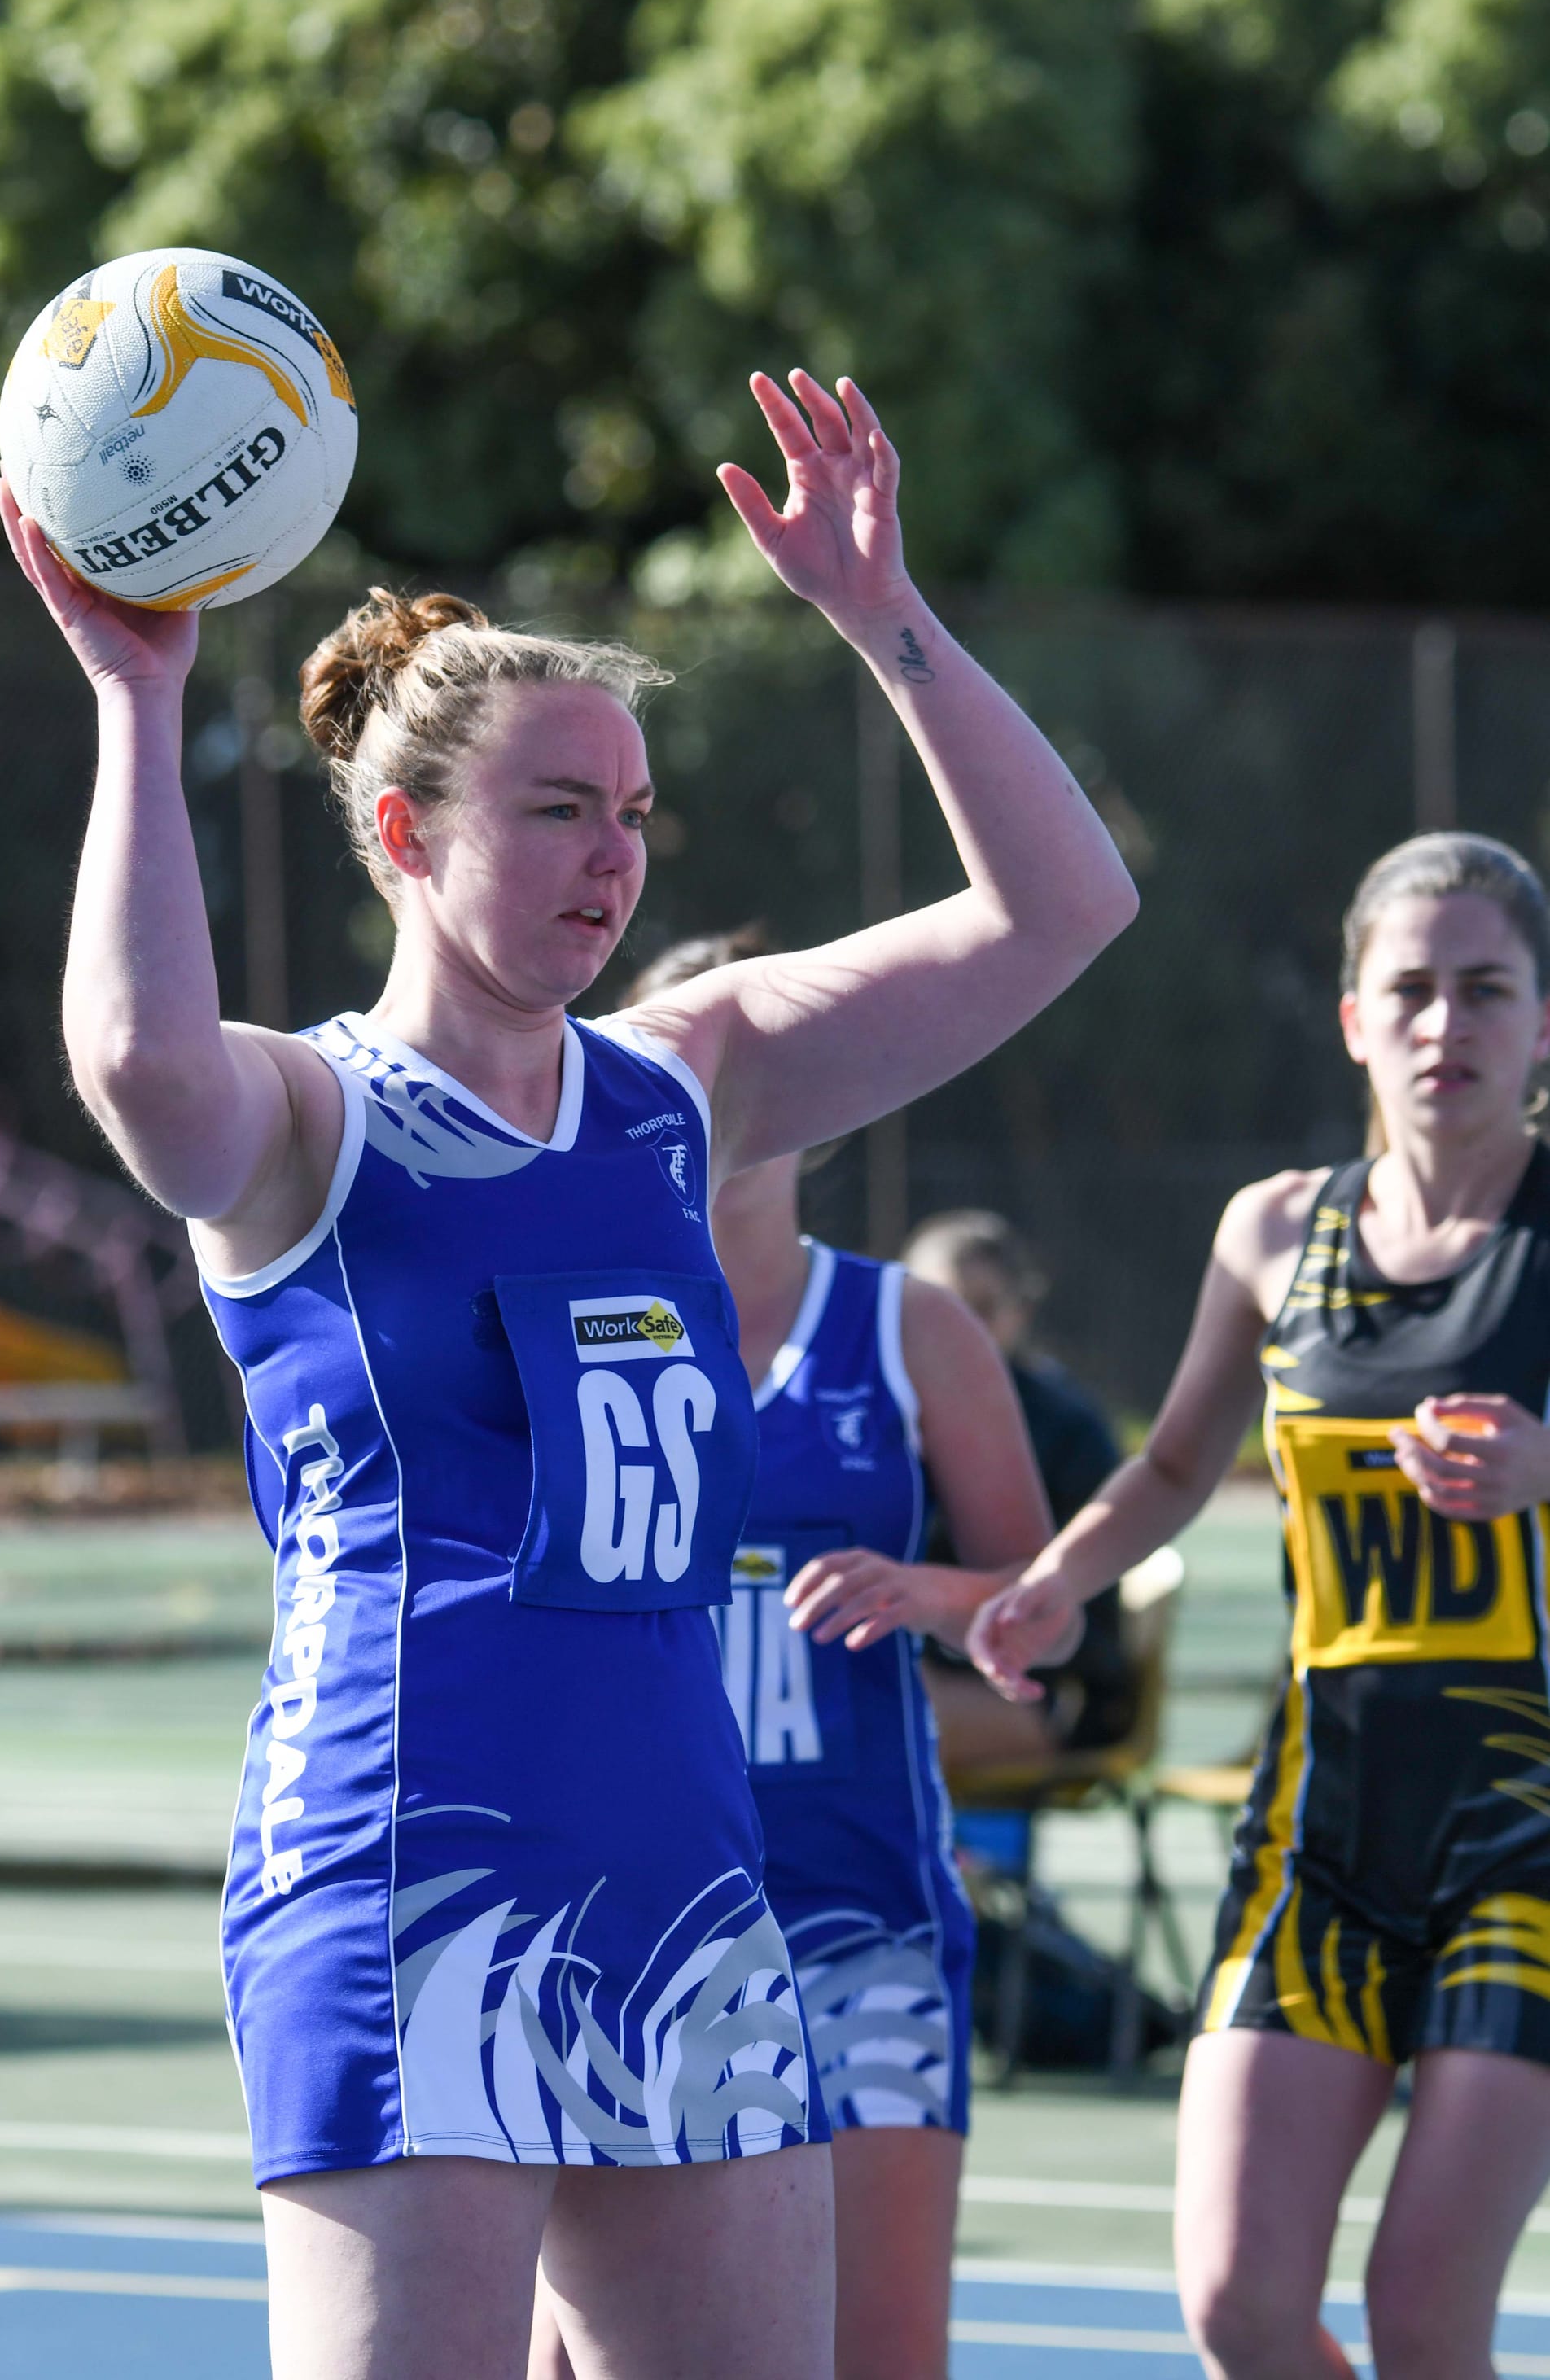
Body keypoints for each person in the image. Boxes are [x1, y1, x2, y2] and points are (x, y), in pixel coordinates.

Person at [0, 365, 1136, 2380]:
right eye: (552, 808)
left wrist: (886, 619)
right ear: (400, 834)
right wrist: (139, 698)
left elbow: (1063, 907)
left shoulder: (679, 1086)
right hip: (402, 1862)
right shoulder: (308, 1122)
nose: (609, 857)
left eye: (628, 815)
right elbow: (138, 1073)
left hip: (685, 1881)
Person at [970, 833, 1550, 2380]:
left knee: (1430, 2321)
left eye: (1487, 990)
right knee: (1238, 2310)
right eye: (1411, 990)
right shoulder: (1277, 1230)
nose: (1448, 1025)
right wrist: (1051, 1581)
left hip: (1531, 1831)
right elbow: (1170, 1464)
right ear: (1354, 1016)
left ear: (1542, 1022)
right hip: (1327, 1822)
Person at [542, 931, 1054, 2380]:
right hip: (625, 1917)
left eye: (764, 1077)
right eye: (696, 1078)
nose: (728, 1112)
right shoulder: (577, 1314)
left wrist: (935, 1596)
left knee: (877, 2357)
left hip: (858, 1916)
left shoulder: (910, 1329)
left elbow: (1046, 1602)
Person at [901, 1208, 1134, 1771]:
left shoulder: (1067, 1429)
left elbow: (1069, 1620)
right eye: (940, 1310)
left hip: (1038, 1691)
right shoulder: (876, 1412)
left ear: (1021, 1311)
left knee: (864, 1712)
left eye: (981, 1309)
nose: (962, 1330)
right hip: (917, 1666)